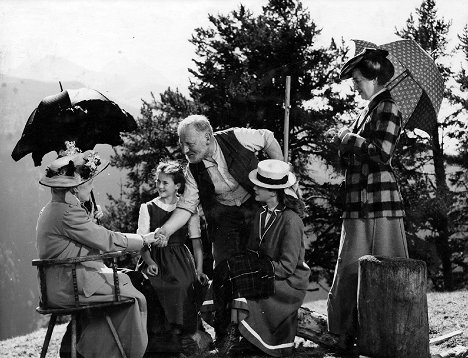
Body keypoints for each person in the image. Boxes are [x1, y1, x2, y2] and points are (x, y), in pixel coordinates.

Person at [153, 114, 284, 345]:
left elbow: (268, 139)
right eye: (181, 143)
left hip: (255, 208)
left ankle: (260, 335)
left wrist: (282, 175)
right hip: (225, 219)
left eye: (189, 143)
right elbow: (186, 207)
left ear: (207, 137)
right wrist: (164, 230)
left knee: (260, 265)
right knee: (223, 271)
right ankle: (226, 337)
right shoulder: (192, 170)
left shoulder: (238, 137)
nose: (184, 149)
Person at [36, 143, 157, 358]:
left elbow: (77, 242)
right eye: (88, 184)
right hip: (70, 285)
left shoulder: (57, 209)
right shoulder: (67, 213)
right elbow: (106, 240)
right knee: (136, 294)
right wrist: (143, 239)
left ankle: (92, 350)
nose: (91, 188)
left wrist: (89, 220)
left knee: (131, 283)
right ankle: (105, 351)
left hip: (61, 282)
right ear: (74, 188)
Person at [327, 48, 409, 352]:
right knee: (349, 266)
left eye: (358, 79)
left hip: (378, 200)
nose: (354, 85)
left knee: (387, 265)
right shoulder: (369, 109)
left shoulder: (388, 108)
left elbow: (381, 154)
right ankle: (345, 333)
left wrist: (352, 140)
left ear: (374, 77)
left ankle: (390, 333)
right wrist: (345, 144)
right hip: (360, 199)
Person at [215, 159, 310, 357]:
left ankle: (240, 335)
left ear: (274, 191)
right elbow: (252, 251)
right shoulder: (260, 213)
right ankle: (234, 333)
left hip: (287, 281)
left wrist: (255, 270)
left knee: (241, 283)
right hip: (267, 271)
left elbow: (287, 267)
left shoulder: (291, 221)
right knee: (227, 272)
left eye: (260, 185)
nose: (255, 188)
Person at [134, 160, 208, 349]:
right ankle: (162, 339)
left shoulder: (187, 208)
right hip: (154, 258)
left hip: (180, 260)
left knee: (185, 285)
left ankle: (183, 334)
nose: (159, 186)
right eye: (158, 181)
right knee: (154, 287)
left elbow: (196, 242)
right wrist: (149, 261)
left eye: (165, 182)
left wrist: (199, 269)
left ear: (178, 185)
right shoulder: (148, 207)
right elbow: (141, 242)